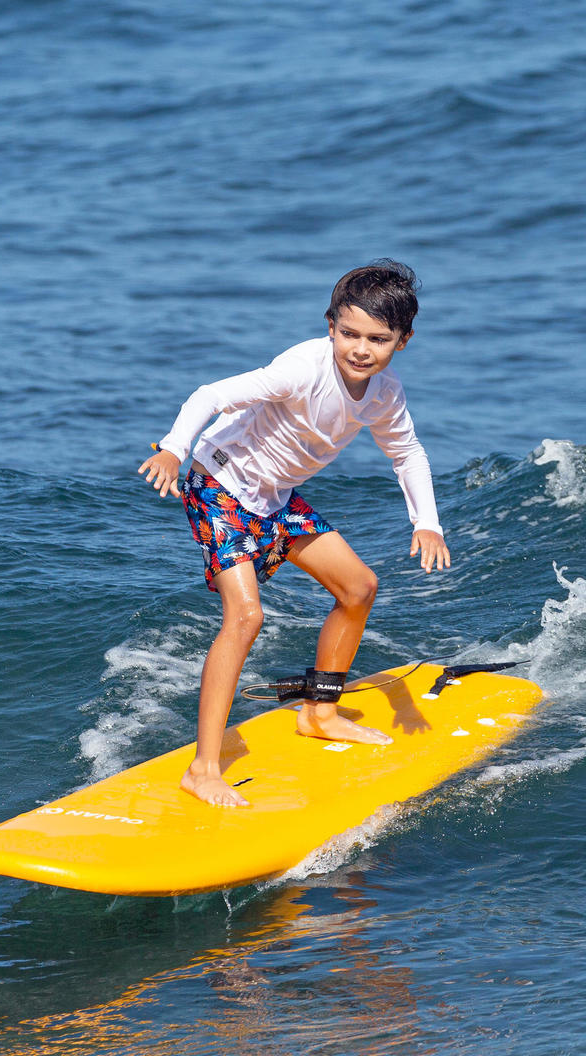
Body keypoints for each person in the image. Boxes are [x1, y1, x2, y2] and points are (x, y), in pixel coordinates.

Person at [137, 260, 450, 808]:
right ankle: (203, 768)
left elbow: (407, 453)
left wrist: (427, 522)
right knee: (246, 615)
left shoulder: (385, 394)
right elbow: (212, 394)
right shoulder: (301, 368)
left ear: (403, 341)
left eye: (378, 339)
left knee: (359, 589)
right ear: (330, 325)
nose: (360, 349)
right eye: (349, 333)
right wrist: (172, 446)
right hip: (219, 483)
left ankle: (320, 711)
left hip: (275, 499)